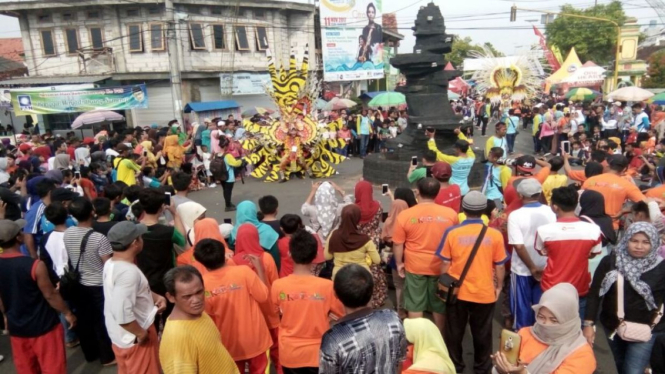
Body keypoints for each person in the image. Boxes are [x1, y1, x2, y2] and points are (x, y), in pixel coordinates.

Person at [437, 191, 508, 373]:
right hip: (484, 292)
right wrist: (499, 286)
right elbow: (500, 266)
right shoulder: (494, 235)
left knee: (454, 332)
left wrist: (444, 283)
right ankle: (482, 369)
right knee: (483, 333)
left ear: (463, 209)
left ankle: (455, 366)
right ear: (484, 210)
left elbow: (445, 262)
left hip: (456, 292)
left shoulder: (452, 232)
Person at [584, 222, 665, 374]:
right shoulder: (610, 262)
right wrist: (588, 323)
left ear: (654, 243)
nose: (639, 246)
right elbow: (595, 294)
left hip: (648, 330)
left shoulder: (661, 267)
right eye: (634, 241)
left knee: (633, 370)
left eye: (645, 242)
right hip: (613, 326)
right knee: (621, 365)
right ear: (626, 240)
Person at [0, 219, 76, 374]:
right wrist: (67, 313)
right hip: (44, 326)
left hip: (17, 328)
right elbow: (50, 295)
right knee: (53, 367)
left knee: (27, 368)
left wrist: (5, 316)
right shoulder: (34, 265)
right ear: (18, 237)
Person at [271, 229, 345, 374]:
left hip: (289, 353)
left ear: (289, 254)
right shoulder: (327, 286)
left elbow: (274, 314)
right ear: (315, 256)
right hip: (318, 353)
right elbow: (341, 313)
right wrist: (328, 317)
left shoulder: (278, 285)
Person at [194, 238, 272, 374]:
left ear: (202, 262)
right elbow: (264, 296)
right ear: (224, 254)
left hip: (227, 344)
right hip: (257, 340)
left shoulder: (202, 284)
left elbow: (208, 316)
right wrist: (260, 269)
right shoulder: (244, 272)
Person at [393, 178, 458, 332]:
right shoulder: (450, 214)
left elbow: (398, 243)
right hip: (441, 267)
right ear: (437, 193)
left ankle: (418, 341)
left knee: (415, 304)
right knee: (439, 304)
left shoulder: (406, 215)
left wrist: (399, 263)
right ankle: (439, 339)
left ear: (417, 192)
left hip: (415, 265)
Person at [103, 222, 166, 374]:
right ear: (134, 243)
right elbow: (122, 314)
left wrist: (155, 297)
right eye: (140, 237)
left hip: (120, 336)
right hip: (135, 337)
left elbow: (126, 293)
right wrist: (141, 334)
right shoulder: (128, 273)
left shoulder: (111, 263)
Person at [319, 264, 406, 374]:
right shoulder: (392, 319)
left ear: (335, 294)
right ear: (373, 290)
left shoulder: (333, 338)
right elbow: (399, 362)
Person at [491, 283, 596, 374]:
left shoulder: (582, 355)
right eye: (541, 317)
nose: (546, 324)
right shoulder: (526, 333)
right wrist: (502, 367)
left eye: (554, 320)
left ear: (569, 320)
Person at [535, 186, 602, 318]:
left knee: (549, 326)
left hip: (551, 286)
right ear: (576, 204)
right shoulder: (593, 230)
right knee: (576, 327)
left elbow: (542, 252)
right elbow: (593, 253)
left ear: (554, 207)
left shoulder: (544, 230)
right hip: (579, 287)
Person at [63, 197, 115, 365]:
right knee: (101, 321)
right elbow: (107, 263)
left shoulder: (68, 232)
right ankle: (107, 356)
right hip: (97, 284)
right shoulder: (99, 238)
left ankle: (90, 353)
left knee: (85, 319)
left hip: (78, 283)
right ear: (92, 212)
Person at [159, 266, 239, 374]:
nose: (196, 300)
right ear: (171, 297)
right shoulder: (178, 338)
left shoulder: (198, 313)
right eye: (187, 296)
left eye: (199, 292)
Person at [507, 178, 556, 330]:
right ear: (540, 193)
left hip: (522, 269)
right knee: (542, 307)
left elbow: (519, 246)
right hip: (546, 266)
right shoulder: (551, 212)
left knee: (521, 309)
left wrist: (532, 268)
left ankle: (522, 339)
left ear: (520, 196)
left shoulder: (515, 215)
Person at [137, 189, 186, 327]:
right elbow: (182, 240)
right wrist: (175, 213)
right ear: (161, 207)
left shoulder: (135, 230)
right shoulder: (167, 232)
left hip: (144, 281)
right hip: (166, 280)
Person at [582, 155, 646, 229]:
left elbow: (579, 201)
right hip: (610, 225)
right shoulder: (626, 185)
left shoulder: (590, 180)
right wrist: (624, 211)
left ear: (607, 165)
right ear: (625, 169)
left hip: (587, 223)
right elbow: (645, 203)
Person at [325, 205, 380, 279]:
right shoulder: (365, 239)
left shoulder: (333, 235)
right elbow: (377, 260)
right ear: (358, 219)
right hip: (361, 276)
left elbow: (327, 256)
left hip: (339, 276)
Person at [230, 200, 281, 270]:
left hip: (241, 272)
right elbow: (276, 258)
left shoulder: (234, 233)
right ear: (254, 212)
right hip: (266, 270)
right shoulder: (267, 231)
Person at [428, 128, 475, 195]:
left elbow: (436, 153)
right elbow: (467, 146)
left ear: (458, 149)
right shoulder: (472, 157)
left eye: (455, 148)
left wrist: (431, 138)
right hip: (465, 190)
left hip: (453, 191)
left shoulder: (453, 160)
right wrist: (460, 133)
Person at [217, 137, 242, 211]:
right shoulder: (227, 155)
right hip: (229, 176)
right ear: (226, 146)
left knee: (225, 190)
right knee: (228, 191)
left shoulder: (217, 154)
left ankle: (228, 203)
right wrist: (240, 161)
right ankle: (228, 206)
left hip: (221, 176)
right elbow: (235, 163)